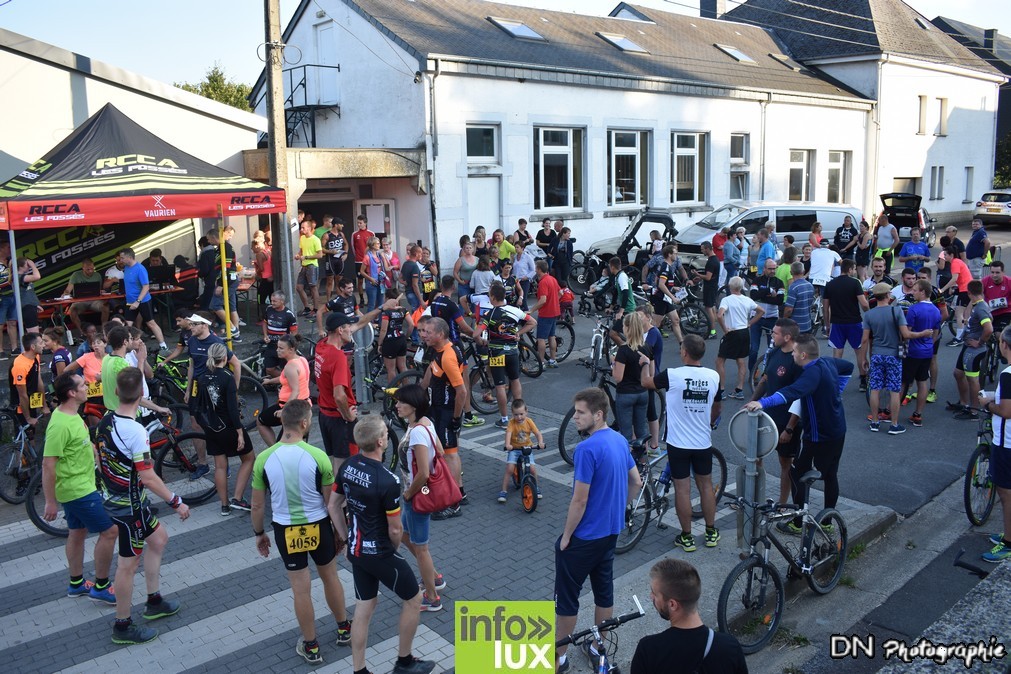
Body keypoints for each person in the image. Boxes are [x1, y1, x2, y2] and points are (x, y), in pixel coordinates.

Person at [331, 415, 436, 674]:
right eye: (386, 436)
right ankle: (404, 662)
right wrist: (393, 551)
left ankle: (359, 670)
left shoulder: (347, 466)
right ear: (381, 442)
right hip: (379, 551)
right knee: (414, 599)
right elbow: (396, 529)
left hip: (356, 550)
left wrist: (346, 540)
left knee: (364, 607)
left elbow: (333, 506)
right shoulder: (388, 480)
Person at [250, 399, 352, 665]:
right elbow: (332, 503)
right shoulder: (318, 456)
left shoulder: (264, 458)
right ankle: (343, 629)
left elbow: (258, 504)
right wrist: (339, 534)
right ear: (305, 423)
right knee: (330, 578)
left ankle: (312, 646)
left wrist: (259, 533)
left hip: (286, 530)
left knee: (300, 589)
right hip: (319, 525)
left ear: (282, 423)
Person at [96, 367, 191, 645]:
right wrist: (176, 501)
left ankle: (154, 601)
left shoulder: (105, 421)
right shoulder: (136, 432)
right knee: (127, 565)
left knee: (159, 539)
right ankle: (123, 626)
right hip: (129, 509)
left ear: (115, 391)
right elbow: (148, 477)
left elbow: (101, 460)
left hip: (117, 500)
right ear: (141, 394)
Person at [554, 388, 641, 673]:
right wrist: (618, 508)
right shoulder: (618, 439)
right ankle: (597, 645)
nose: (575, 417)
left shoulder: (586, 449)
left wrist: (566, 537)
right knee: (604, 592)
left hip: (584, 538)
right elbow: (636, 482)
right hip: (610, 535)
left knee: (567, 598)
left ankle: (559, 657)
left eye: (580, 413)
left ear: (598, 414)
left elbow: (580, 500)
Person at [744, 336, 853, 533]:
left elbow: (790, 392)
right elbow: (847, 367)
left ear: (803, 355)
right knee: (830, 475)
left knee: (796, 473)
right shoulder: (826, 362)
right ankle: (827, 522)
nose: (792, 354)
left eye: (794, 352)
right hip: (837, 429)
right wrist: (836, 392)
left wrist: (761, 403)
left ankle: (797, 523)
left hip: (819, 435)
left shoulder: (811, 374)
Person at [42, 372, 118, 604]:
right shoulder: (60, 425)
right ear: (72, 393)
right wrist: (50, 501)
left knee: (77, 532)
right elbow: (48, 464)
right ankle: (102, 586)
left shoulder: (71, 414)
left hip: (80, 485)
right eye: (83, 385)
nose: (88, 386)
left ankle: (76, 583)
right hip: (77, 490)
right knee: (110, 531)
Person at [641, 335, 722, 552]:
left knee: (682, 490)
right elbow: (717, 407)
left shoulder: (672, 375)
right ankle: (711, 531)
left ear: (685, 352)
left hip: (678, 444)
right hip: (703, 442)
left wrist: (644, 364)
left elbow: (646, 383)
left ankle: (686, 537)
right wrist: (711, 422)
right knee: (706, 486)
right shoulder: (713, 376)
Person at [630, 558, 748, 674]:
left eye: (654, 593)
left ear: (672, 604)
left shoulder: (649, 650)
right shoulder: (730, 647)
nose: (651, 597)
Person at [392, 384, 447, 613]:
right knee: (405, 535)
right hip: (414, 493)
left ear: (413, 405)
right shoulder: (424, 424)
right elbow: (441, 452)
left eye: (400, 402)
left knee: (421, 547)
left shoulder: (416, 432)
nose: (396, 406)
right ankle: (433, 576)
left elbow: (423, 473)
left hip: (416, 495)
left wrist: (407, 493)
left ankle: (432, 596)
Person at [194, 343, 255, 515]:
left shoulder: (202, 377)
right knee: (249, 459)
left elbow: (195, 405)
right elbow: (233, 409)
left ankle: (224, 505)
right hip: (228, 426)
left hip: (211, 427)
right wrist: (240, 432)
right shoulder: (228, 376)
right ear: (225, 358)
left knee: (220, 466)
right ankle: (237, 498)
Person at [860, 283, 926, 434]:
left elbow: (864, 339)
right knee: (894, 391)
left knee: (875, 389)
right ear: (888, 295)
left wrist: (864, 358)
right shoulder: (896, 311)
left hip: (877, 354)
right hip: (893, 356)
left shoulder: (869, 314)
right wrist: (923, 334)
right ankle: (894, 424)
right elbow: (906, 334)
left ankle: (875, 422)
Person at [420, 317, 469, 519]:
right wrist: (420, 390)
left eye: (428, 332)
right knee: (448, 452)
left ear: (440, 334)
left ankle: (454, 504)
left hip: (447, 411)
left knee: (450, 454)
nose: (424, 334)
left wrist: (456, 418)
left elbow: (462, 392)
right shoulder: (439, 349)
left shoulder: (448, 356)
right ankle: (460, 491)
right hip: (438, 409)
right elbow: (431, 370)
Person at [751, 319, 804, 505]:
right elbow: (764, 380)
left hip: (785, 421)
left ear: (787, 337)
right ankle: (755, 498)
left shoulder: (798, 359)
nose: (772, 336)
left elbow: (800, 396)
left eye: (775, 333)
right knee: (755, 457)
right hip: (766, 417)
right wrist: (753, 402)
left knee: (785, 464)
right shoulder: (773, 352)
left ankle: (782, 505)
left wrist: (790, 428)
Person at [185, 311, 242, 477]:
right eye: (191, 324)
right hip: (197, 388)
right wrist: (188, 389)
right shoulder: (192, 341)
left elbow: (236, 364)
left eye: (195, 324)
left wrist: (234, 390)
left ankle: (223, 463)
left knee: (216, 426)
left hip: (213, 390)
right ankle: (203, 463)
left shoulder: (216, 342)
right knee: (196, 424)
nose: (191, 327)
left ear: (205, 325)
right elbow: (192, 366)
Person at [978, 326, 1011, 563]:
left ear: (1004, 345)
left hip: (1007, 442)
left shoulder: (1007, 374)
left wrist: (987, 404)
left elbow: (1006, 411)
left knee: (1006, 493)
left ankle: (1008, 542)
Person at [483, 283, 535, 428]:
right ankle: (520, 415)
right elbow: (532, 322)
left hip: (496, 352)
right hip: (512, 351)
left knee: (500, 386)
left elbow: (479, 332)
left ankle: (505, 419)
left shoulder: (489, 313)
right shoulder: (514, 310)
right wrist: (519, 333)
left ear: (493, 297)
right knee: (515, 380)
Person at [949, 280, 993, 420]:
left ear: (969, 293)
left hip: (975, 349)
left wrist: (979, 342)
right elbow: (967, 315)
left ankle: (974, 411)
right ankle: (964, 403)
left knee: (972, 380)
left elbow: (989, 329)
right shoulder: (975, 304)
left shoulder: (981, 308)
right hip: (967, 346)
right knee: (958, 373)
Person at [256, 334, 311, 446]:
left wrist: (284, 411)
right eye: (277, 347)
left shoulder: (290, 366)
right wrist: (269, 381)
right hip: (304, 405)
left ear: (291, 349)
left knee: (261, 421)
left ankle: (274, 449)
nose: (277, 350)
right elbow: (285, 377)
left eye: (281, 348)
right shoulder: (301, 359)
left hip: (291, 408)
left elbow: (295, 391)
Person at [900, 280, 941, 428]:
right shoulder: (936, 310)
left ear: (923, 292)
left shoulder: (914, 309)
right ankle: (918, 414)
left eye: (915, 290)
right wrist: (928, 343)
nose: (912, 292)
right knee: (922, 382)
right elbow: (936, 333)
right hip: (927, 352)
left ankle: (893, 412)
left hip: (913, 352)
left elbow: (907, 333)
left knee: (903, 382)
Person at [824, 259, 870, 387]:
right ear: (850, 269)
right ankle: (863, 380)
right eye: (854, 269)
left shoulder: (830, 284)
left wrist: (827, 324)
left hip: (837, 323)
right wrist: (869, 314)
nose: (855, 271)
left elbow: (825, 307)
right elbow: (864, 304)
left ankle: (834, 379)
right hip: (854, 322)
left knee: (837, 351)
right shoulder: (855, 283)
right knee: (859, 350)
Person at [716, 276, 762, 400]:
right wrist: (750, 323)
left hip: (732, 332)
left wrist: (725, 329)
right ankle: (739, 389)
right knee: (741, 361)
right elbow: (761, 311)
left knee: (720, 360)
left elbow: (719, 315)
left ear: (730, 287)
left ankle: (721, 390)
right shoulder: (747, 300)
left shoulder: (726, 300)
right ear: (741, 287)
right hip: (744, 332)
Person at [612, 312, 654, 442]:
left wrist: (613, 363)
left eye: (624, 326)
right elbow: (651, 373)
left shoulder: (623, 350)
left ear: (628, 328)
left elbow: (618, 377)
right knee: (641, 431)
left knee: (626, 433)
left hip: (626, 394)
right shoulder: (647, 347)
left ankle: (627, 461)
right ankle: (643, 460)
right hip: (642, 393)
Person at [119, 248, 168, 350]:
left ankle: (164, 346)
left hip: (143, 300)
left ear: (129, 257)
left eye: (122, 258)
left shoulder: (140, 269)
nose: (121, 260)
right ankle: (125, 349)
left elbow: (146, 287)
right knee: (127, 325)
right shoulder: (127, 268)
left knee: (151, 323)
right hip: (130, 301)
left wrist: (138, 301)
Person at [498, 398, 544, 503]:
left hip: (527, 448)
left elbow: (537, 433)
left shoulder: (529, 421)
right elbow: (508, 433)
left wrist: (540, 442)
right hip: (514, 449)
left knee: (532, 469)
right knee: (509, 469)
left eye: (521, 414)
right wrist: (508, 444)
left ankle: (536, 488)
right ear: (512, 414)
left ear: (526, 411)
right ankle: (503, 491)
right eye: (516, 415)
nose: (519, 417)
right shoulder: (511, 423)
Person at [206, 225, 243, 342]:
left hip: (228, 281)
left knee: (215, 305)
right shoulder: (220, 248)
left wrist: (221, 284)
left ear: (213, 237)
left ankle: (233, 329)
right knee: (232, 308)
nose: (208, 241)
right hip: (230, 280)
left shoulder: (225, 247)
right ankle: (236, 335)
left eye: (208, 239)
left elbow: (225, 267)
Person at [748, 259, 785, 375]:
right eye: (770, 268)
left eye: (774, 268)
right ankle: (753, 372)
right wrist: (768, 291)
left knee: (773, 348)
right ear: (764, 269)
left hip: (772, 318)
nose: (772, 271)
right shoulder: (757, 280)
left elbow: (779, 301)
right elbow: (753, 296)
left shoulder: (779, 283)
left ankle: (769, 372)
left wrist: (762, 295)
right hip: (757, 318)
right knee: (754, 349)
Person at [9, 332, 49, 427]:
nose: (44, 345)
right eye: (41, 343)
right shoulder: (20, 366)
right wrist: (28, 418)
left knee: (33, 433)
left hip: (33, 400)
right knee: (28, 436)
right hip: (21, 406)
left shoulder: (36, 357)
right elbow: (22, 395)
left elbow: (38, 380)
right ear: (33, 347)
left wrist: (44, 405)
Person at [63, 258, 110, 330]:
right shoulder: (76, 275)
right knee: (72, 311)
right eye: (88, 269)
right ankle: (81, 332)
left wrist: (101, 291)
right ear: (83, 268)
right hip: (80, 302)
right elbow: (68, 290)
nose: (91, 271)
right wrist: (65, 294)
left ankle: (104, 329)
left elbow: (99, 290)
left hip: (94, 301)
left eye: (92, 269)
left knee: (105, 307)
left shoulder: (97, 275)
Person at [530, 260, 562, 367]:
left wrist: (532, 310)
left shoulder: (543, 282)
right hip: (554, 311)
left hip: (545, 313)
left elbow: (543, 300)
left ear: (539, 269)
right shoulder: (552, 279)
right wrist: (554, 302)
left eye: (536, 268)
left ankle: (541, 362)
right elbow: (560, 293)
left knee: (541, 338)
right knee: (551, 336)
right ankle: (553, 360)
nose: (535, 270)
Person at [940, 244, 972, 346]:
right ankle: (964, 334)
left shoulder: (955, 263)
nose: (944, 257)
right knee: (965, 314)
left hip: (965, 289)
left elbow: (954, 278)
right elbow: (960, 278)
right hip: (965, 288)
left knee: (959, 314)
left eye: (945, 255)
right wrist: (953, 288)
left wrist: (943, 289)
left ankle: (959, 338)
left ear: (951, 255)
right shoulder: (957, 262)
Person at [379, 287, 413, 381]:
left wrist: (379, 344)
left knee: (391, 370)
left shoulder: (386, 312)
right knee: (402, 367)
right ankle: (406, 390)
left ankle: (392, 394)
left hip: (390, 341)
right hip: (401, 339)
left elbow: (383, 330)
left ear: (387, 298)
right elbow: (411, 324)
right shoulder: (403, 310)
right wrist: (406, 337)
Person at [261, 291, 298, 378]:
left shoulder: (289, 315)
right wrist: (265, 335)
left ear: (282, 301)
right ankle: (285, 380)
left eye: (274, 301)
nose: (272, 303)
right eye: (271, 300)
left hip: (283, 347)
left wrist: (289, 346)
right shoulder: (269, 309)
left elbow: (294, 333)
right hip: (271, 345)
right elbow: (265, 323)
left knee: (285, 368)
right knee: (269, 370)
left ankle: (289, 382)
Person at [295, 219, 323, 316]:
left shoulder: (315, 239)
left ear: (309, 228)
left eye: (303, 227)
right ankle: (307, 308)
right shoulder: (302, 238)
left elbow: (320, 255)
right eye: (301, 227)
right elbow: (301, 251)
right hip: (304, 265)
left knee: (313, 288)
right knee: (299, 287)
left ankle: (315, 310)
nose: (301, 229)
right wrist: (298, 255)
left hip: (312, 266)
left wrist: (306, 257)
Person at [321, 216, 348, 301]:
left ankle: (339, 300)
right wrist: (330, 251)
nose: (342, 226)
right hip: (330, 260)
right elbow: (321, 248)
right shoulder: (327, 235)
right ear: (336, 225)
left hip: (340, 259)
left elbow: (346, 244)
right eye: (341, 224)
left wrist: (346, 254)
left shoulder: (341, 234)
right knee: (330, 280)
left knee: (339, 281)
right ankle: (328, 301)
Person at [697, 241, 720, 340]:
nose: (702, 251)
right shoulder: (715, 259)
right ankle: (713, 328)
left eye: (702, 249)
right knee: (713, 307)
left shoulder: (711, 262)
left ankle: (712, 331)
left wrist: (698, 275)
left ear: (707, 248)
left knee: (708, 308)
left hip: (709, 287)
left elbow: (708, 277)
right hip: (714, 286)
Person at [783, 261, 815, 333]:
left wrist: (784, 320)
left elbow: (789, 310)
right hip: (807, 324)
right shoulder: (810, 285)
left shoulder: (793, 287)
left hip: (795, 326)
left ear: (791, 273)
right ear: (803, 271)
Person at [352, 215, 374, 304]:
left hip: (368, 261)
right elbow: (353, 247)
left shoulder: (371, 233)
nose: (359, 224)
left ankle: (370, 299)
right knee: (360, 281)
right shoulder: (354, 234)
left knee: (369, 280)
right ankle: (361, 299)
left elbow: (373, 247)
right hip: (358, 261)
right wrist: (358, 256)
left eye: (360, 223)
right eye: (358, 223)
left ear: (365, 223)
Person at [984, 261, 1011, 333]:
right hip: (989, 313)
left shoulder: (1009, 282)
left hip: (1005, 312)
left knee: (998, 333)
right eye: (992, 272)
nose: (994, 275)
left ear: (1003, 272)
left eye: (997, 272)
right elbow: (976, 295)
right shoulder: (985, 281)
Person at [453, 241, 478, 316]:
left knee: (474, 303)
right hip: (464, 284)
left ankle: (474, 323)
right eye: (466, 248)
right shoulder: (461, 260)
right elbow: (455, 272)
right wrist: (460, 281)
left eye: (470, 248)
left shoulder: (477, 259)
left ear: (473, 249)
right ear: (464, 249)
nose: (468, 249)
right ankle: (460, 323)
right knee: (463, 303)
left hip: (474, 284)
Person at [400, 244, 424, 312]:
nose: (421, 255)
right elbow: (415, 285)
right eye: (421, 253)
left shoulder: (405, 264)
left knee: (414, 309)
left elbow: (400, 277)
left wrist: (403, 282)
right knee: (417, 311)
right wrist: (421, 300)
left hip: (408, 292)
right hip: (414, 293)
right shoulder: (414, 266)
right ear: (416, 254)